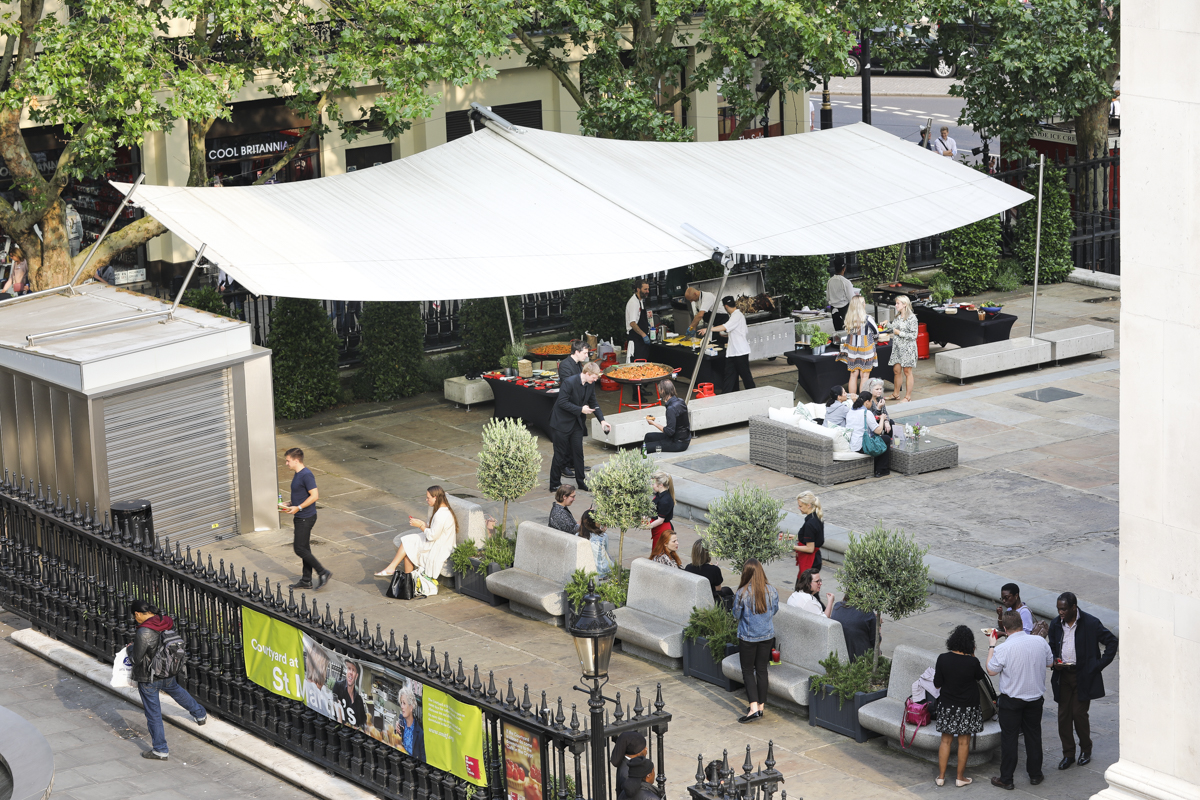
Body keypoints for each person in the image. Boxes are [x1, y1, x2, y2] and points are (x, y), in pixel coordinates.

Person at [129, 599, 207, 760]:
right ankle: (200, 714)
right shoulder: (165, 621)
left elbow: (137, 659)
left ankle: (160, 749)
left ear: (137, 614)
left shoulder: (144, 631)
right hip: (167, 670)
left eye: (135, 616)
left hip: (149, 677)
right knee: (178, 691)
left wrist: (130, 648)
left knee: (153, 713)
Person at [1048, 591, 1118, 771]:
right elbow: (1052, 647)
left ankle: (1086, 749)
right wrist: (1054, 660)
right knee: (1063, 716)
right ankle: (1068, 754)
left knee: (1079, 714)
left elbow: (1111, 642)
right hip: (1063, 675)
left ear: (1073, 607)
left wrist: (1098, 665)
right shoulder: (1056, 624)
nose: (1060, 612)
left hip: (1083, 675)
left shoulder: (1091, 623)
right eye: (1058, 609)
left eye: (1063, 609)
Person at [986, 610, 1054, 790]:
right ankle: (1035, 775)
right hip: (1035, 699)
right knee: (1033, 736)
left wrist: (992, 645)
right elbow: (1050, 662)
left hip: (1012, 701)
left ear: (1005, 629)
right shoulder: (1039, 641)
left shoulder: (1003, 648)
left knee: (1009, 739)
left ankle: (1006, 778)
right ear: (1022, 625)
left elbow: (991, 670)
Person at [934, 625, 987, 787]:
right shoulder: (972, 662)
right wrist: (972, 654)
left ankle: (941, 777)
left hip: (947, 706)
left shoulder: (942, 658)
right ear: (970, 644)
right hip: (968, 707)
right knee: (964, 743)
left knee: (945, 741)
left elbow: (937, 684)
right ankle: (960, 778)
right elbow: (980, 677)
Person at [549, 363, 611, 492]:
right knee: (560, 454)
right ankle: (554, 483)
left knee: (578, 452)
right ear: (587, 373)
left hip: (576, 423)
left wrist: (602, 421)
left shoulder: (590, 383)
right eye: (594, 377)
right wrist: (580, 409)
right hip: (561, 423)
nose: (596, 380)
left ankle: (581, 482)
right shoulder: (569, 382)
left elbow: (593, 401)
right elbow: (562, 402)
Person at [376, 485, 460, 578]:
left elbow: (432, 536)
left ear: (435, 498)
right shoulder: (443, 510)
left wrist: (420, 526)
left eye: (428, 498)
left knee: (407, 543)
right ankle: (406, 581)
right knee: (408, 546)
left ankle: (393, 569)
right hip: (439, 542)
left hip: (439, 547)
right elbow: (435, 528)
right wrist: (422, 523)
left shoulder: (441, 515)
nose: (426, 500)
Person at [732, 559, 778, 723]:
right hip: (767, 636)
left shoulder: (742, 593)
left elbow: (736, 615)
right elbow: (774, 610)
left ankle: (753, 708)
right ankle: (761, 706)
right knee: (761, 670)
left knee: (747, 670)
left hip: (748, 637)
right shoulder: (771, 590)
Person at [282, 448, 332, 591]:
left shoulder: (306, 475)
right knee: (305, 549)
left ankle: (323, 572)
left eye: (288, 460)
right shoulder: (298, 474)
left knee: (299, 549)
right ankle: (306, 580)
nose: (286, 463)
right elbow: (301, 495)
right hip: (300, 516)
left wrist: (298, 507)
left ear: (296, 460)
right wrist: (289, 504)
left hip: (305, 518)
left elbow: (314, 496)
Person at [698, 296, 754, 394]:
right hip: (732, 352)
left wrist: (708, 329)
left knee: (746, 376)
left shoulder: (737, 315)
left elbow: (725, 326)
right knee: (729, 376)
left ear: (726, 306)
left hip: (740, 352)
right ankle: (725, 395)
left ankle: (754, 394)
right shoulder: (736, 316)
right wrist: (728, 334)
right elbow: (741, 331)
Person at [837, 296, 877, 396]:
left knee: (853, 375)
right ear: (861, 305)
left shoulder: (849, 319)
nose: (865, 304)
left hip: (852, 349)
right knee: (864, 376)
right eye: (864, 302)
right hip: (866, 349)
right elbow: (876, 333)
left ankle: (852, 400)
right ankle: (862, 400)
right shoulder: (868, 319)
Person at [846, 391, 891, 477]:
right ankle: (881, 470)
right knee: (886, 439)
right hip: (863, 446)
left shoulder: (850, 411)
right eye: (871, 401)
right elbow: (878, 430)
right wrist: (882, 419)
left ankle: (876, 467)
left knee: (878, 439)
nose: (871, 403)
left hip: (853, 444)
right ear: (867, 402)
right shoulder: (866, 413)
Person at [643, 380, 690, 453]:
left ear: (662, 391)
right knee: (648, 436)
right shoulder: (681, 401)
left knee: (645, 448)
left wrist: (653, 423)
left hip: (678, 443)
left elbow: (669, 431)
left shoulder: (671, 409)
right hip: (683, 438)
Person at [888, 296, 918, 402]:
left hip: (908, 348)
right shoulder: (898, 316)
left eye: (898, 303)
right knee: (896, 370)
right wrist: (886, 324)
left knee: (907, 371)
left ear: (904, 304)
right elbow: (893, 327)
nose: (896, 305)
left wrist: (899, 333)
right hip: (897, 348)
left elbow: (914, 335)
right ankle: (896, 394)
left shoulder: (912, 318)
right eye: (896, 303)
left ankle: (907, 397)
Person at [793, 491, 824, 578]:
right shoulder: (817, 517)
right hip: (816, 560)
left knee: (803, 589)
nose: (799, 508)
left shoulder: (809, 524)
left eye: (800, 506)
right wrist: (794, 537)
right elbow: (813, 538)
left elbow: (810, 548)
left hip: (810, 562)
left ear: (808, 505)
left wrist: (790, 547)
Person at [611, 731, 648, 798]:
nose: (646, 749)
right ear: (636, 752)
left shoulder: (627, 762)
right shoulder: (627, 774)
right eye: (643, 747)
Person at [332, 659, 368, 730]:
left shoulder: (359, 699)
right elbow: (332, 706)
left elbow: (363, 723)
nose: (350, 672)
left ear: (356, 676)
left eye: (353, 670)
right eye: (349, 669)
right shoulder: (338, 686)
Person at [394, 682, 426, 761]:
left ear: (411, 707)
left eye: (404, 703)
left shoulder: (419, 732)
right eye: (401, 703)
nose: (401, 706)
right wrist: (396, 732)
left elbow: (423, 757)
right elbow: (395, 743)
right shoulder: (400, 720)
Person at [579, 510, 614, 578]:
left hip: (584, 570)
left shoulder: (577, 535)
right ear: (593, 522)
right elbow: (606, 552)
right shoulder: (602, 537)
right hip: (601, 572)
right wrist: (602, 532)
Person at [645, 471, 675, 549]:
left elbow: (660, 520)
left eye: (653, 484)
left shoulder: (665, 500)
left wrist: (647, 526)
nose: (652, 486)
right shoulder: (659, 494)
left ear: (661, 485)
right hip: (658, 527)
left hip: (663, 529)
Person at [625, 279, 652, 362]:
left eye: (648, 289)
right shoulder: (633, 303)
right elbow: (633, 323)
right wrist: (644, 335)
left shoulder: (640, 301)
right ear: (638, 289)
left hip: (641, 342)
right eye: (645, 289)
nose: (647, 291)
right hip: (636, 341)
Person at [826, 260, 854, 330]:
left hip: (833, 311)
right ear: (844, 269)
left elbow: (828, 298)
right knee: (847, 332)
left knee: (838, 332)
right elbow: (852, 299)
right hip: (845, 310)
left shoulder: (830, 281)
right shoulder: (846, 282)